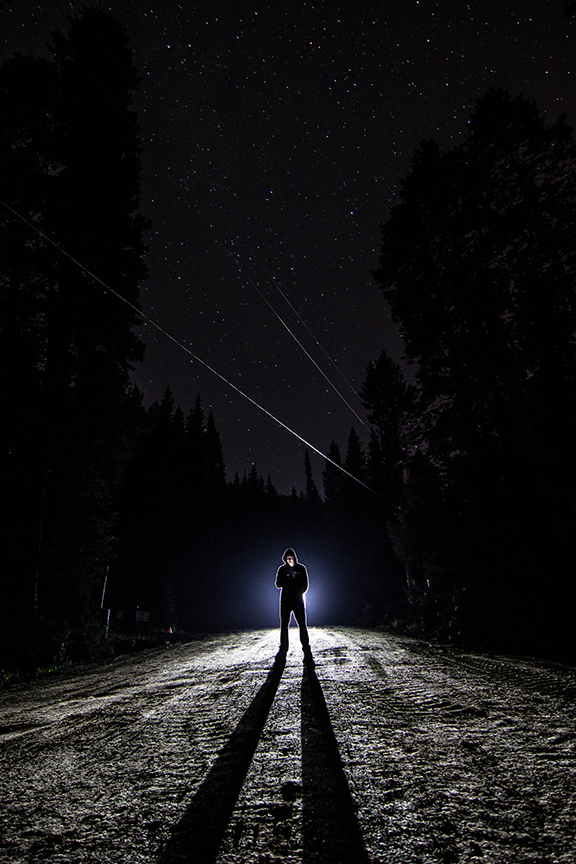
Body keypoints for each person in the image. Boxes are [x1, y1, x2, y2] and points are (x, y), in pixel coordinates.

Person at [275, 548, 311, 656]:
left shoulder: (301, 568)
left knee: (302, 624)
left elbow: (305, 585)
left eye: (291, 558)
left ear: (295, 558)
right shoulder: (282, 570)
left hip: (297, 600)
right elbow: (277, 584)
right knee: (284, 625)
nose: (289, 560)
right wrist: (286, 580)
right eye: (287, 558)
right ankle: (284, 646)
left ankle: (305, 645)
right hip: (286, 601)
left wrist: (298, 591)